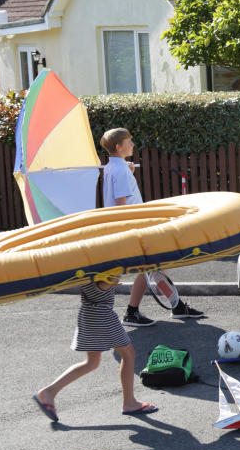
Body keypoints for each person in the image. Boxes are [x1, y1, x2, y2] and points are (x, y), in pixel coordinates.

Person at [100, 128, 204, 326]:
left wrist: (128, 171)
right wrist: (134, 231)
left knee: (153, 267)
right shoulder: (120, 169)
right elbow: (120, 204)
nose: (132, 144)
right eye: (128, 142)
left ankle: (174, 307)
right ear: (118, 147)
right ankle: (132, 312)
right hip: (132, 228)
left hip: (129, 227)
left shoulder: (112, 167)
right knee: (149, 267)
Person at [32, 274, 158, 421]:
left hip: (88, 314)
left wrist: (110, 281)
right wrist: (112, 279)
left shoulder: (85, 270)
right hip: (102, 316)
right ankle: (129, 403)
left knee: (91, 362)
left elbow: (98, 286)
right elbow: (102, 285)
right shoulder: (100, 273)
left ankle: (49, 392)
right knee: (128, 354)